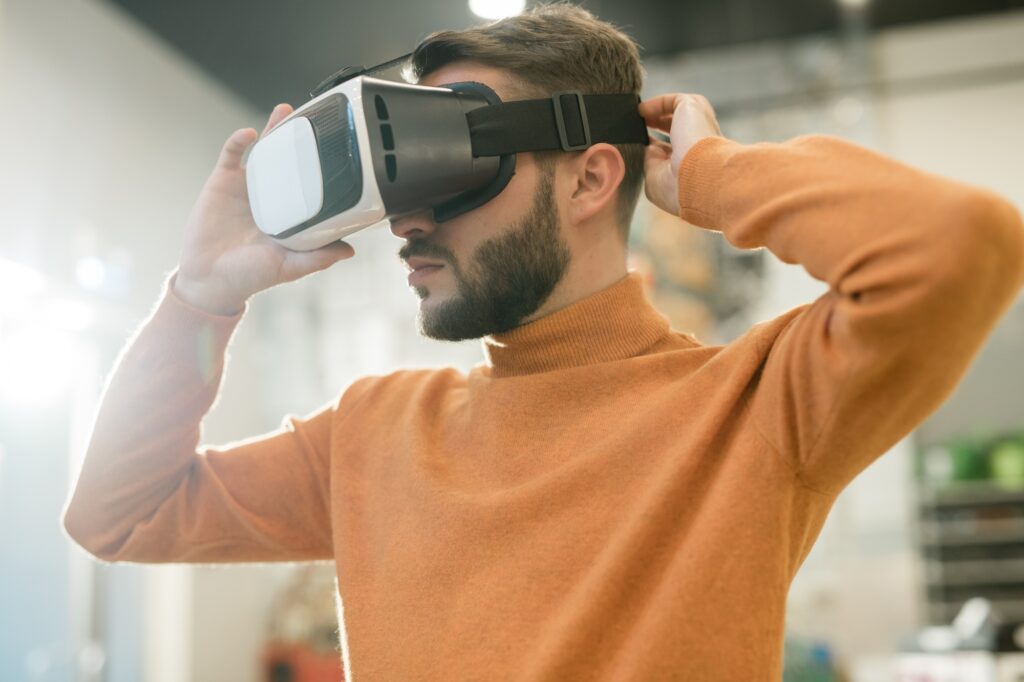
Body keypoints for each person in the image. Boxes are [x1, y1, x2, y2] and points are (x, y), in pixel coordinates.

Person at [61, 4, 1024, 680]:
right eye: (404, 175)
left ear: (591, 179)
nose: (407, 220)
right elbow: (120, 513)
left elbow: (958, 249)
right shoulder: (372, 434)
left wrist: (715, 177)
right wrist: (198, 299)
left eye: (454, 161)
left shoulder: (753, 409)